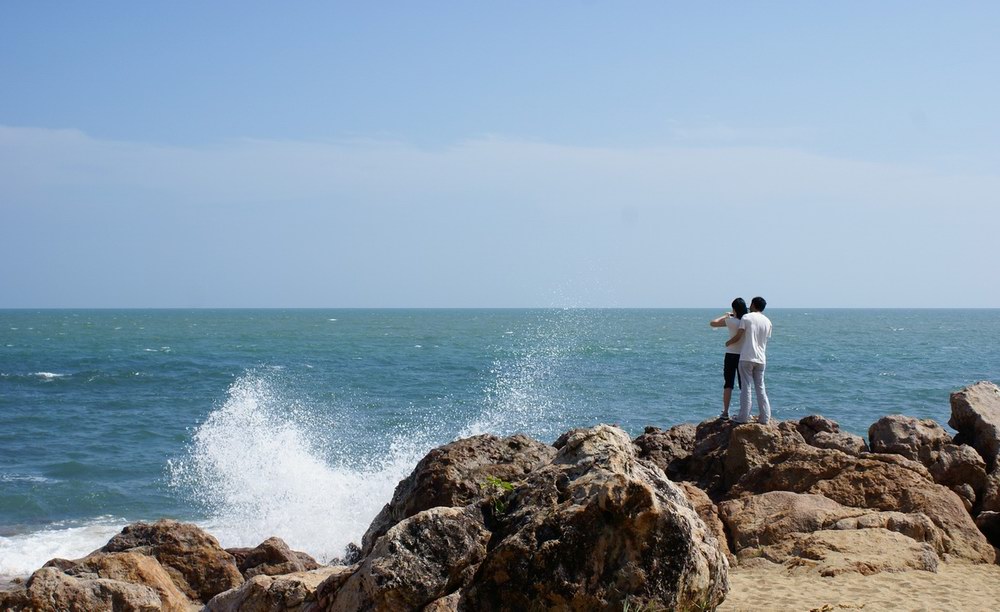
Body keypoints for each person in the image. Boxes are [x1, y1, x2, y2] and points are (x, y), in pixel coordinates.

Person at [726, 296, 772, 425]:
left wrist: (728, 342)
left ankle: (743, 417)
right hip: (761, 358)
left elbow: (739, 335)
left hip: (746, 356)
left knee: (746, 387)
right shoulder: (768, 321)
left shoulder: (746, 318)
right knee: (761, 388)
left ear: (753, 305)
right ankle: (765, 417)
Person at [709, 298, 748, 419]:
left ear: (734, 309)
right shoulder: (747, 321)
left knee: (728, 383)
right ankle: (745, 412)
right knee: (744, 385)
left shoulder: (731, 321)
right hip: (744, 355)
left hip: (731, 354)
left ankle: (725, 412)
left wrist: (725, 316)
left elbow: (713, 323)